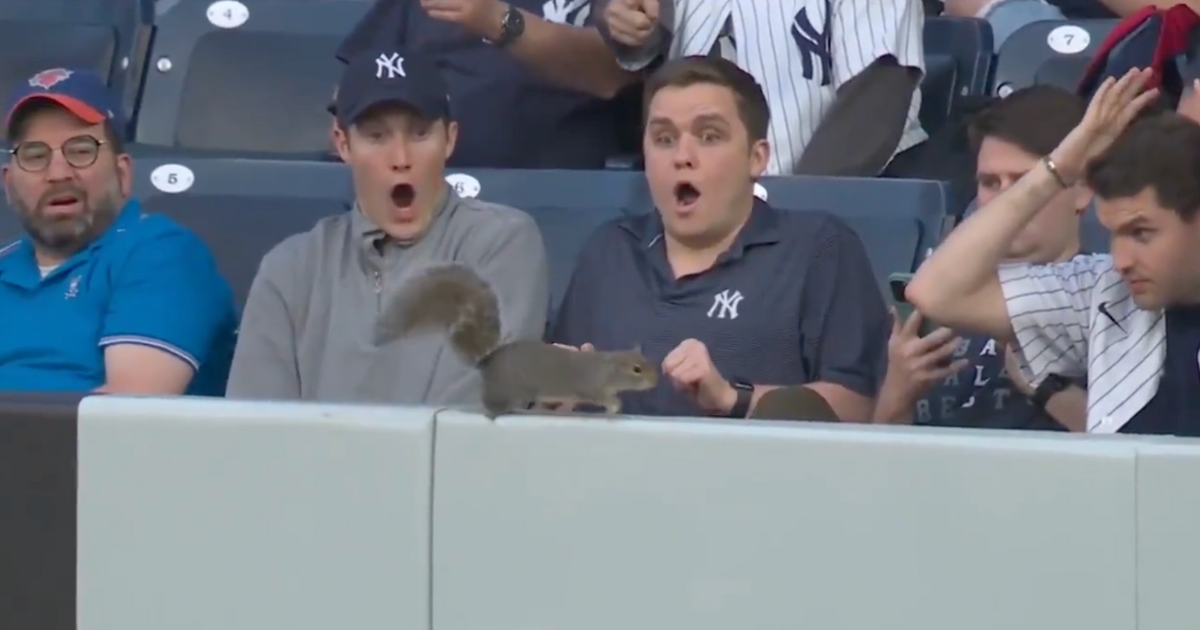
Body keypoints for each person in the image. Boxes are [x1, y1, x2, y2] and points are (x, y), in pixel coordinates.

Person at [547, 56, 888, 421]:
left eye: (709, 137)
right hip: (613, 474)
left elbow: (861, 410)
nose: (682, 157)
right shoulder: (609, 251)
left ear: (756, 158)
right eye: (663, 139)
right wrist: (561, 397)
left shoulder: (818, 248)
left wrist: (732, 398)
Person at [227, 50, 550, 403]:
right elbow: (257, 432)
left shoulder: (501, 241)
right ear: (342, 143)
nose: (400, 160)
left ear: (450, 139)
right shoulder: (290, 269)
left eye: (420, 134)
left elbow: (469, 417)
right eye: (377, 136)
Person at [908, 68, 1200, 436]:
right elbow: (934, 293)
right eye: (1114, 235)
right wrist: (1056, 168)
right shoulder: (1104, 290)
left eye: (1141, 233)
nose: (1122, 260)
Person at [0, 68, 237, 395]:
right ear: (8, 184)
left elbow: (123, 417)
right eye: (35, 155)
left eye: (81, 150)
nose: (58, 173)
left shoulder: (161, 253)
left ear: (123, 173)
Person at [874, 86, 1090, 431]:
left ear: (1082, 190)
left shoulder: (1107, 299)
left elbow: (1142, 456)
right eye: (990, 183)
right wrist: (898, 393)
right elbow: (875, 466)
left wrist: (1050, 389)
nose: (1005, 202)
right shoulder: (933, 304)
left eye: (1025, 183)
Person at [594, 0, 928, 176]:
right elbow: (641, 37)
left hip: (842, 203)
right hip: (705, 204)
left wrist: (790, 211)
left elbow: (874, 105)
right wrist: (625, 20)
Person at [337, 0, 637, 169]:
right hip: (431, 199)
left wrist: (498, 21)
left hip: (562, 199)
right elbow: (350, 99)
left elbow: (611, 72)